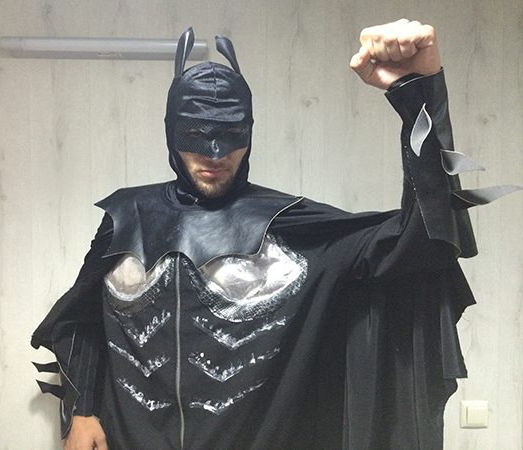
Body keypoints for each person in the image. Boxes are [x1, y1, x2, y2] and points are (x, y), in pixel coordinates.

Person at [32, 19, 514, 450]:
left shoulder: (293, 230)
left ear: (250, 131)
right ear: (171, 131)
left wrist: (418, 95)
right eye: (195, 133)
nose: (214, 152)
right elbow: (85, 317)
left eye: (230, 133)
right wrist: (83, 408)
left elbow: (424, 241)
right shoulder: (127, 217)